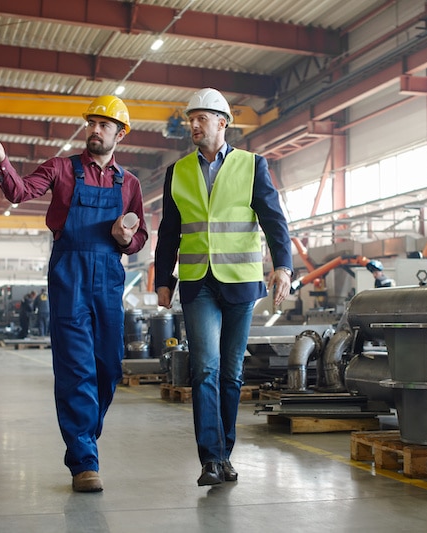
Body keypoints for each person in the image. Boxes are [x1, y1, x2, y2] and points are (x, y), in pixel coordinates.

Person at [0, 94, 148, 493]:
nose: (94, 129)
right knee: (76, 369)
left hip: (108, 276)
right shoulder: (61, 168)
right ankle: (83, 459)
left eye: (104, 125)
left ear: (119, 133)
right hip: (69, 273)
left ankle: (86, 434)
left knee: (108, 367)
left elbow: (141, 236)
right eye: (91, 123)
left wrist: (126, 239)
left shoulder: (130, 183)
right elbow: (19, 191)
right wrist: (1, 160)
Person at [154, 88, 293, 486]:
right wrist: (163, 281)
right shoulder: (177, 172)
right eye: (190, 119)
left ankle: (226, 454)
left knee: (232, 373)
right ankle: (210, 459)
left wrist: (282, 266)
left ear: (222, 122)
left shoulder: (253, 166)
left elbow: (274, 220)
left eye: (201, 118)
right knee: (205, 369)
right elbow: (168, 233)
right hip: (197, 283)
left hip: (241, 283)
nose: (193, 125)